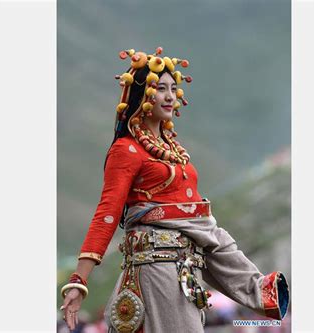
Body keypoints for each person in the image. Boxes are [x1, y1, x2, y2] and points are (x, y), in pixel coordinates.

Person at [60, 47, 290, 333]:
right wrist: (78, 282)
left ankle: (260, 291)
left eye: (173, 88)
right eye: (160, 89)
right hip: (157, 265)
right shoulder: (125, 150)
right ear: (143, 95)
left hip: (189, 263)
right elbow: (107, 214)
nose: (170, 96)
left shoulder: (173, 149)